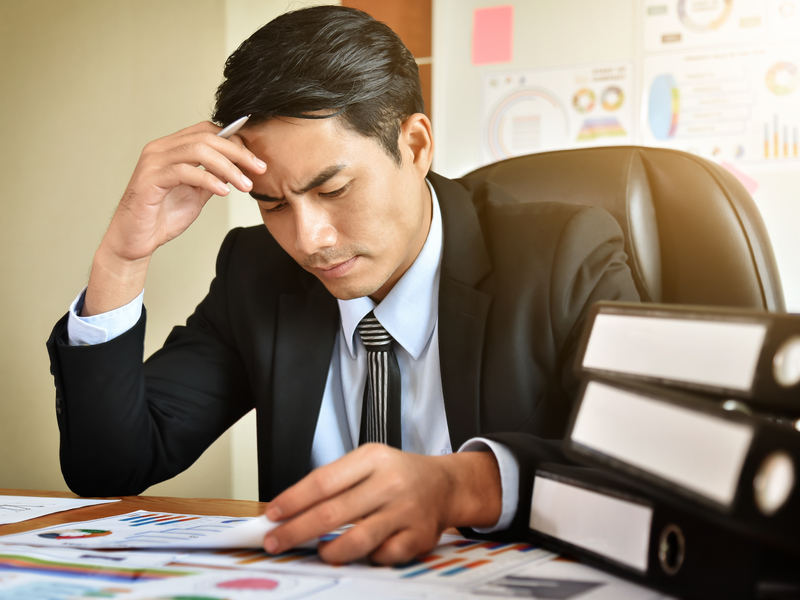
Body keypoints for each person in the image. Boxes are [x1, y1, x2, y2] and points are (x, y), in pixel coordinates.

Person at [46, 5, 639, 565]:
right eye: (273, 204)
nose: (309, 240)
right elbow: (111, 468)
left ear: (416, 145)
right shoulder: (256, 274)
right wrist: (123, 258)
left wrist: (464, 485)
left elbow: (645, 476)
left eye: (332, 190)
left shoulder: (565, 255)